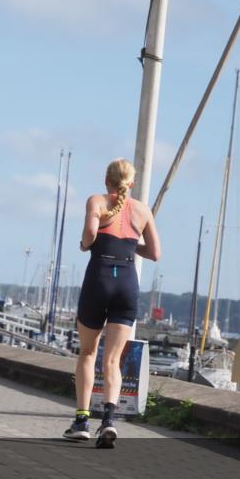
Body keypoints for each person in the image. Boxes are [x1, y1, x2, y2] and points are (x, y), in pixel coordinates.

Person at [64, 158, 161, 448]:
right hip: (126, 282)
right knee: (112, 360)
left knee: (87, 353)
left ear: (106, 180)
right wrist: (129, 245)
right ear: (132, 183)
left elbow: (90, 235)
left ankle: (82, 421)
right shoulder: (142, 210)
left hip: (99, 277)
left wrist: (85, 245)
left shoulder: (96, 201)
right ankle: (108, 420)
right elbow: (155, 253)